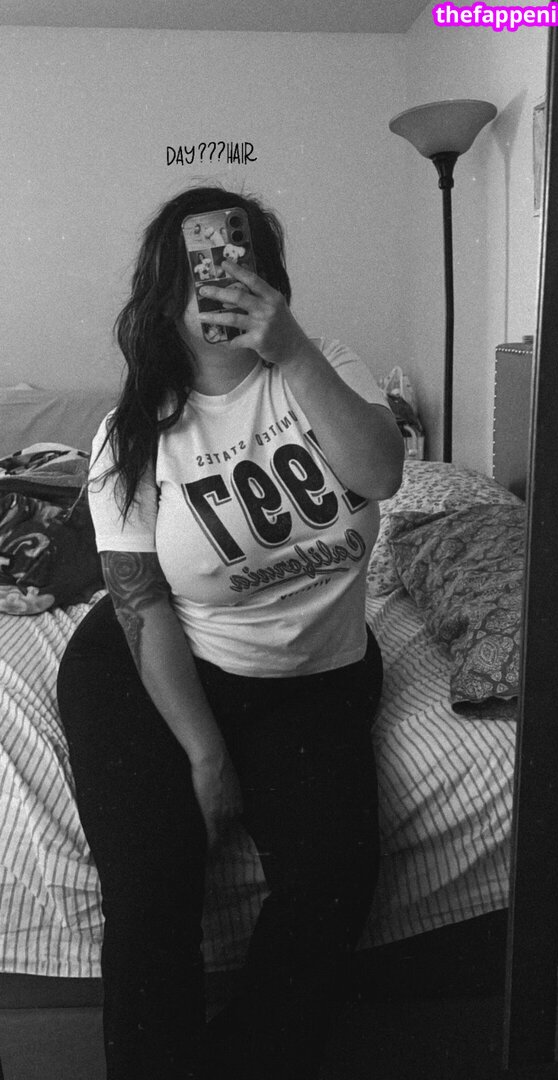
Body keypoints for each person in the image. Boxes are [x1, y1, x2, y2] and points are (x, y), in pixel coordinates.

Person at [57, 185, 404, 1080]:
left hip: (317, 680)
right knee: (152, 893)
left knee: (334, 886)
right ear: (165, 294)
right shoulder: (132, 434)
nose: (222, 281)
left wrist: (290, 351)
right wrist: (205, 756)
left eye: (241, 260)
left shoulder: (325, 364)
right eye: (199, 268)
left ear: (270, 276)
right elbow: (140, 602)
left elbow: (380, 474)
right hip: (158, 667)